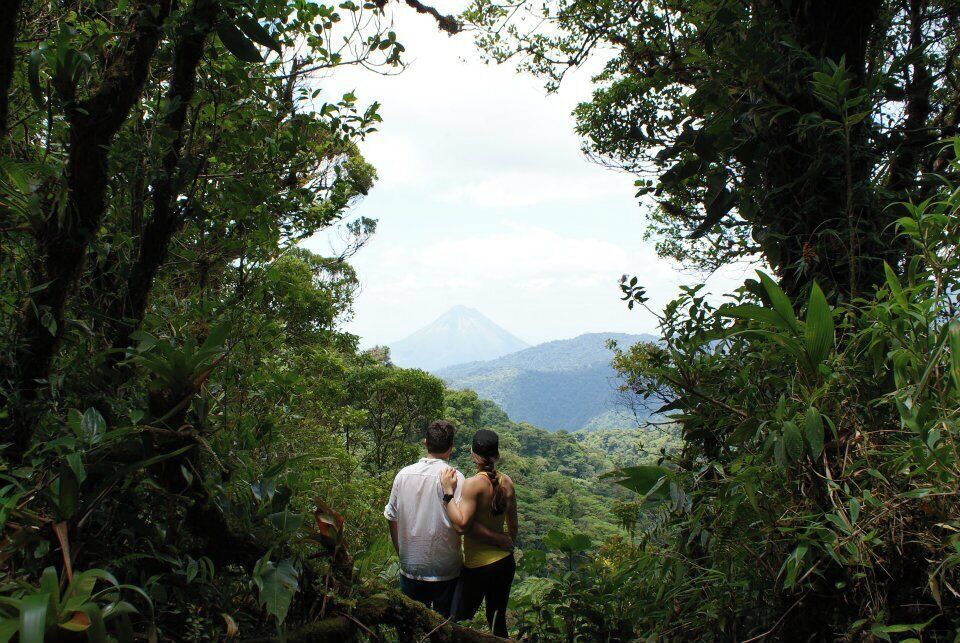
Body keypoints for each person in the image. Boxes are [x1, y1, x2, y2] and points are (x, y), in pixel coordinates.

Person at [384, 420, 512, 617]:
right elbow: (465, 524)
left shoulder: (403, 475)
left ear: (425, 443)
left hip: (410, 567)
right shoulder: (457, 478)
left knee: (410, 627)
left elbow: (392, 517)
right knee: (446, 629)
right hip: (447, 570)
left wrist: (402, 552)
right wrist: (499, 538)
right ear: (451, 447)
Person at [440, 428, 518, 638]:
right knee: (498, 625)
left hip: (478, 567)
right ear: (497, 455)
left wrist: (448, 494)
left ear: (473, 454)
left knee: (455, 623)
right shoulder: (508, 482)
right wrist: (502, 540)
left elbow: (462, 525)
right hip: (505, 563)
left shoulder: (473, 484)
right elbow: (513, 527)